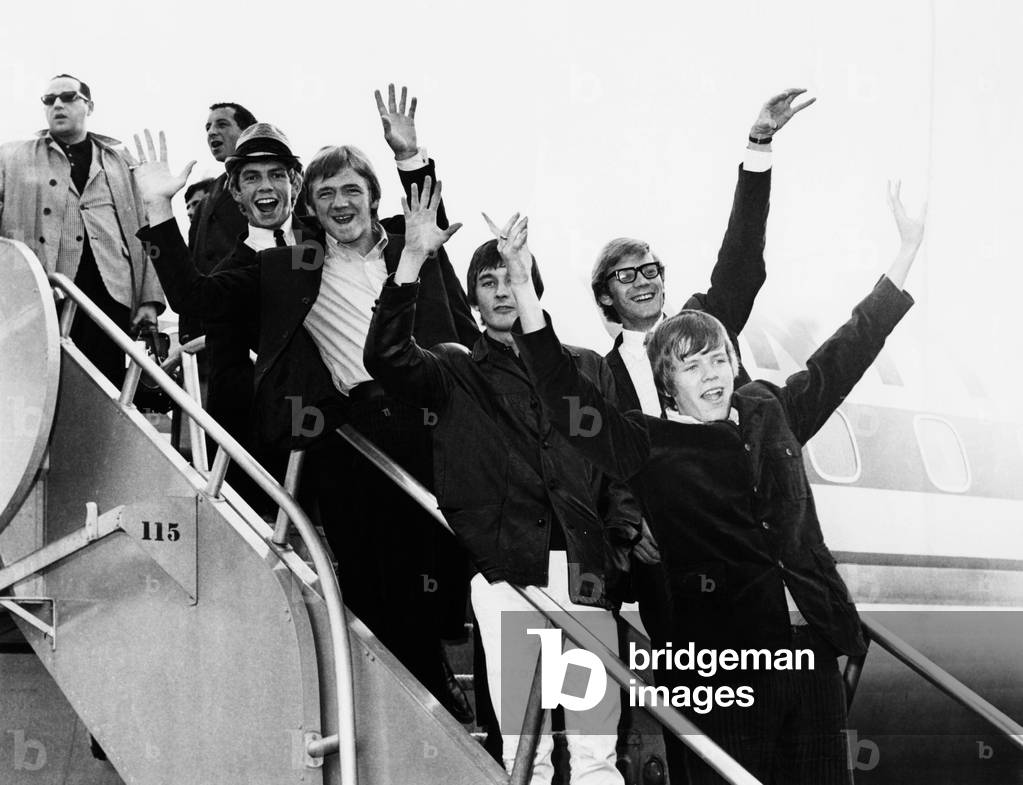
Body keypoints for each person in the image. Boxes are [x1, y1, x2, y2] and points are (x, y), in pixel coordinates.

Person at [504, 182, 925, 785]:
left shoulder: (769, 410)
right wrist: (523, 285)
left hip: (811, 649)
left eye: (718, 359)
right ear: (666, 383)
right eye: (691, 365)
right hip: (723, 667)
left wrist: (905, 252)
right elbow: (561, 393)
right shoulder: (647, 443)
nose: (710, 375)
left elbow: (847, 351)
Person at [129, 85, 478, 720]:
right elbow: (197, 298)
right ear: (307, 204)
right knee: (377, 585)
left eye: (352, 190)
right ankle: (432, 698)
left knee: (460, 556)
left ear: (373, 197)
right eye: (326, 194)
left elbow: (428, 208)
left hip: (444, 415)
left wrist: (410, 157)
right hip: (357, 428)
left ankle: (454, 654)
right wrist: (157, 213)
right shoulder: (292, 264)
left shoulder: (411, 242)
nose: (340, 203)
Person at [365, 184, 642, 785]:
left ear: (532, 287)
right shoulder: (455, 368)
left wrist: (616, 546)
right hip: (510, 574)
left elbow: (620, 467)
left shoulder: (587, 365)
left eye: (511, 277)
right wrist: (410, 261)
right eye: (487, 281)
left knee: (597, 750)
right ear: (473, 300)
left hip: (587, 573)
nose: (501, 291)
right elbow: (385, 358)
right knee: (528, 753)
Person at [590, 87, 813, 655]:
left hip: (739, 535)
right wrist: (632, 524)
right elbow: (605, 462)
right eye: (626, 275)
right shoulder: (600, 374)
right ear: (605, 298)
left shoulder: (704, 323)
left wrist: (758, 147)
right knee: (688, 691)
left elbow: (741, 260)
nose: (643, 280)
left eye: (650, 269)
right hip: (666, 550)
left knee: (758, 679)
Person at [0, 73, 164, 386]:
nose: (57, 104)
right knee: (44, 386)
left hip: (111, 293)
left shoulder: (120, 161)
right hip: (45, 294)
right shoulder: (13, 157)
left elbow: (148, 229)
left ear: (89, 106)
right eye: (49, 100)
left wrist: (149, 300)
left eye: (68, 97)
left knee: (106, 386)